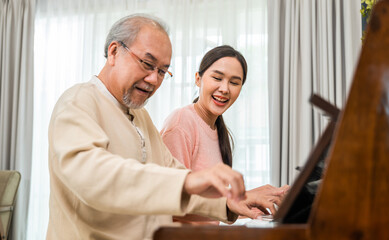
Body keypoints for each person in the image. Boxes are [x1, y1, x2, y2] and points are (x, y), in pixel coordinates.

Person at [47, 14, 283, 240]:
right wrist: (188, 182)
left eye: (162, 71)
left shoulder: (141, 118)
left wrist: (228, 203)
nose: (153, 80)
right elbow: (93, 177)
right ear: (114, 52)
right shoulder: (78, 102)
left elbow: (176, 177)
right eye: (147, 64)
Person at [161, 45, 289, 224]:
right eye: (217, 78)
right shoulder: (182, 122)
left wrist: (260, 201)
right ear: (198, 79)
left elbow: (214, 209)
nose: (224, 89)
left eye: (234, 82)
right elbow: (171, 198)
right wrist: (242, 199)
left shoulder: (217, 129)